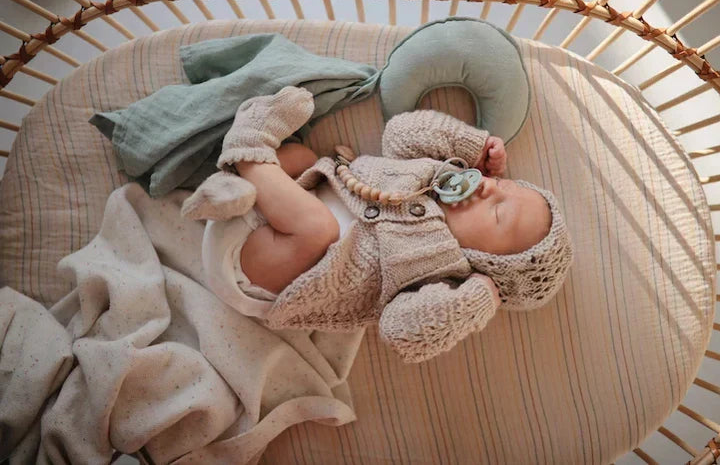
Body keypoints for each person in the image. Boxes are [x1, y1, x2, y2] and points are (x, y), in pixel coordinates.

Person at [183, 86, 573, 363]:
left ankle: (247, 147)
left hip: (258, 273)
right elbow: (400, 133)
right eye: (504, 185)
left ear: (487, 263)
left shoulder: (444, 276)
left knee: (318, 229)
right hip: (267, 206)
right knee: (304, 156)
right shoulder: (439, 172)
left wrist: (474, 302)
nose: (489, 190)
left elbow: (401, 331)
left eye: (499, 213)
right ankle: (234, 185)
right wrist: (472, 147)